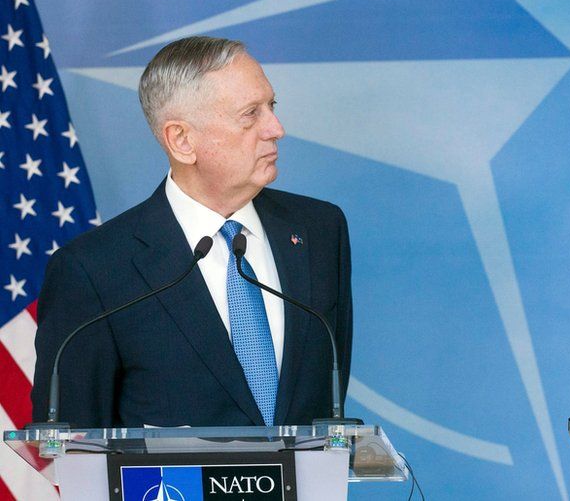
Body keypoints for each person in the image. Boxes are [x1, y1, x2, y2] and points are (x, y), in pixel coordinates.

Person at [31, 36, 353, 427]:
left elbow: (328, 407)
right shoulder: (93, 269)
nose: (276, 128)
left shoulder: (319, 231)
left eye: (272, 106)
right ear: (182, 140)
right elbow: (71, 442)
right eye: (250, 113)